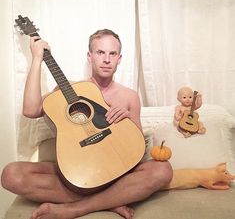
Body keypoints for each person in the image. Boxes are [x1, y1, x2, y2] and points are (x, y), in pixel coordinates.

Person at [1, 29, 173, 219]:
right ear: (89, 56)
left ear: (119, 58)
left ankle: (76, 208)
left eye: (112, 53)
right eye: (100, 52)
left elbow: (137, 151)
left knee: (162, 170)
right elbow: (31, 110)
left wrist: (127, 121)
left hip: (117, 175)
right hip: (78, 173)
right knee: (11, 174)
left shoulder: (129, 96)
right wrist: (36, 59)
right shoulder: (70, 89)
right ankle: (111, 201)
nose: (106, 59)